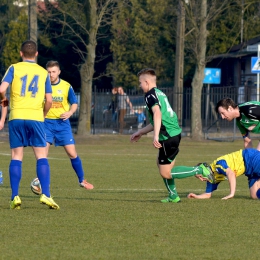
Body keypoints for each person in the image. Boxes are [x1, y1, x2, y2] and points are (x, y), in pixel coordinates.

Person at [130, 68, 213, 203]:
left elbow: (157, 114)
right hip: (173, 134)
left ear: (146, 82)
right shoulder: (160, 93)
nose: (140, 86)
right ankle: (173, 196)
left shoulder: (150, 95)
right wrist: (140, 132)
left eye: (140, 83)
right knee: (161, 164)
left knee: (166, 172)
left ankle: (199, 169)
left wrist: (155, 136)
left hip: (167, 136)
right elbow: (157, 120)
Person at [0, 40, 59, 209]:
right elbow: (49, 100)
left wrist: (3, 100)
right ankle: (46, 195)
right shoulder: (43, 72)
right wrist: (44, 114)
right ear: (37, 54)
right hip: (35, 117)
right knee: (41, 156)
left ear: (21, 54)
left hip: (17, 116)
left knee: (16, 156)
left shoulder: (14, 68)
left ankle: (15, 197)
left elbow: (1, 89)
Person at [44, 60, 94, 190]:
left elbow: (74, 102)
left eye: (53, 72)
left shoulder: (66, 86)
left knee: (72, 153)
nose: (51, 74)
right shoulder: (42, 86)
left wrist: (70, 112)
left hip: (62, 124)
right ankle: (43, 183)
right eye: (49, 72)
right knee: (42, 155)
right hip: (46, 123)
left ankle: (82, 180)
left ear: (59, 72)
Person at [187, 148, 260, 200]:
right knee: (254, 195)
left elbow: (231, 174)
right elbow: (207, 194)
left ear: (205, 170)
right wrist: (196, 196)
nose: (201, 179)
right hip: (249, 170)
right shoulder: (212, 179)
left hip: (250, 158)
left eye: (200, 176)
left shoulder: (218, 165)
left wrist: (231, 193)